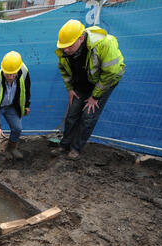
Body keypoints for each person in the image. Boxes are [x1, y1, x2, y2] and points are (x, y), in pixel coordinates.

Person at [53, 19, 125, 160]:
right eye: (63, 47)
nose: (65, 50)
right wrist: (70, 89)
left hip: (104, 83)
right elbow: (63, 69)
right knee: (72, 114)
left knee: (88, 116)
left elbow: (111, 73)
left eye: (69, 46)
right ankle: (65, 144)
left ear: (80, 38)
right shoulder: (64, 51)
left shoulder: (104, 44)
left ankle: (75, 149)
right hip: (82, 83)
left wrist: (95, 96)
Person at [0, 51, 31, 163]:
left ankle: (11, 148)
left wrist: (27, 105)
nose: (10, 77)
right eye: (7, 74)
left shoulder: (23, 71)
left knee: (17, 128)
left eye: (13, 74)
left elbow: (27, 88)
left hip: (11, 106)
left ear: (18, 70)